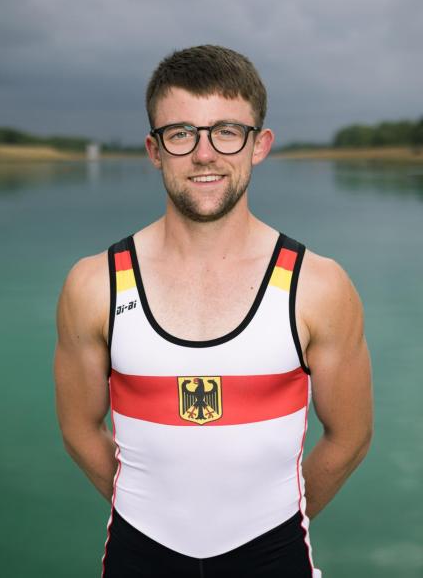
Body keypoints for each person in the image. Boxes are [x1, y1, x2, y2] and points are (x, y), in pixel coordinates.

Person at [54, 45, 373, 578]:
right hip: (138, 554)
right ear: (155, 150)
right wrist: (151, 509)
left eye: (227, 131)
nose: (204, 154)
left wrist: (273, 522)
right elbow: (79, 428)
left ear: (259, 145)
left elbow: (350, 437)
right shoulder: (95, 284)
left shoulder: (317, 285)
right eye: (181, 133)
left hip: (275, 556)